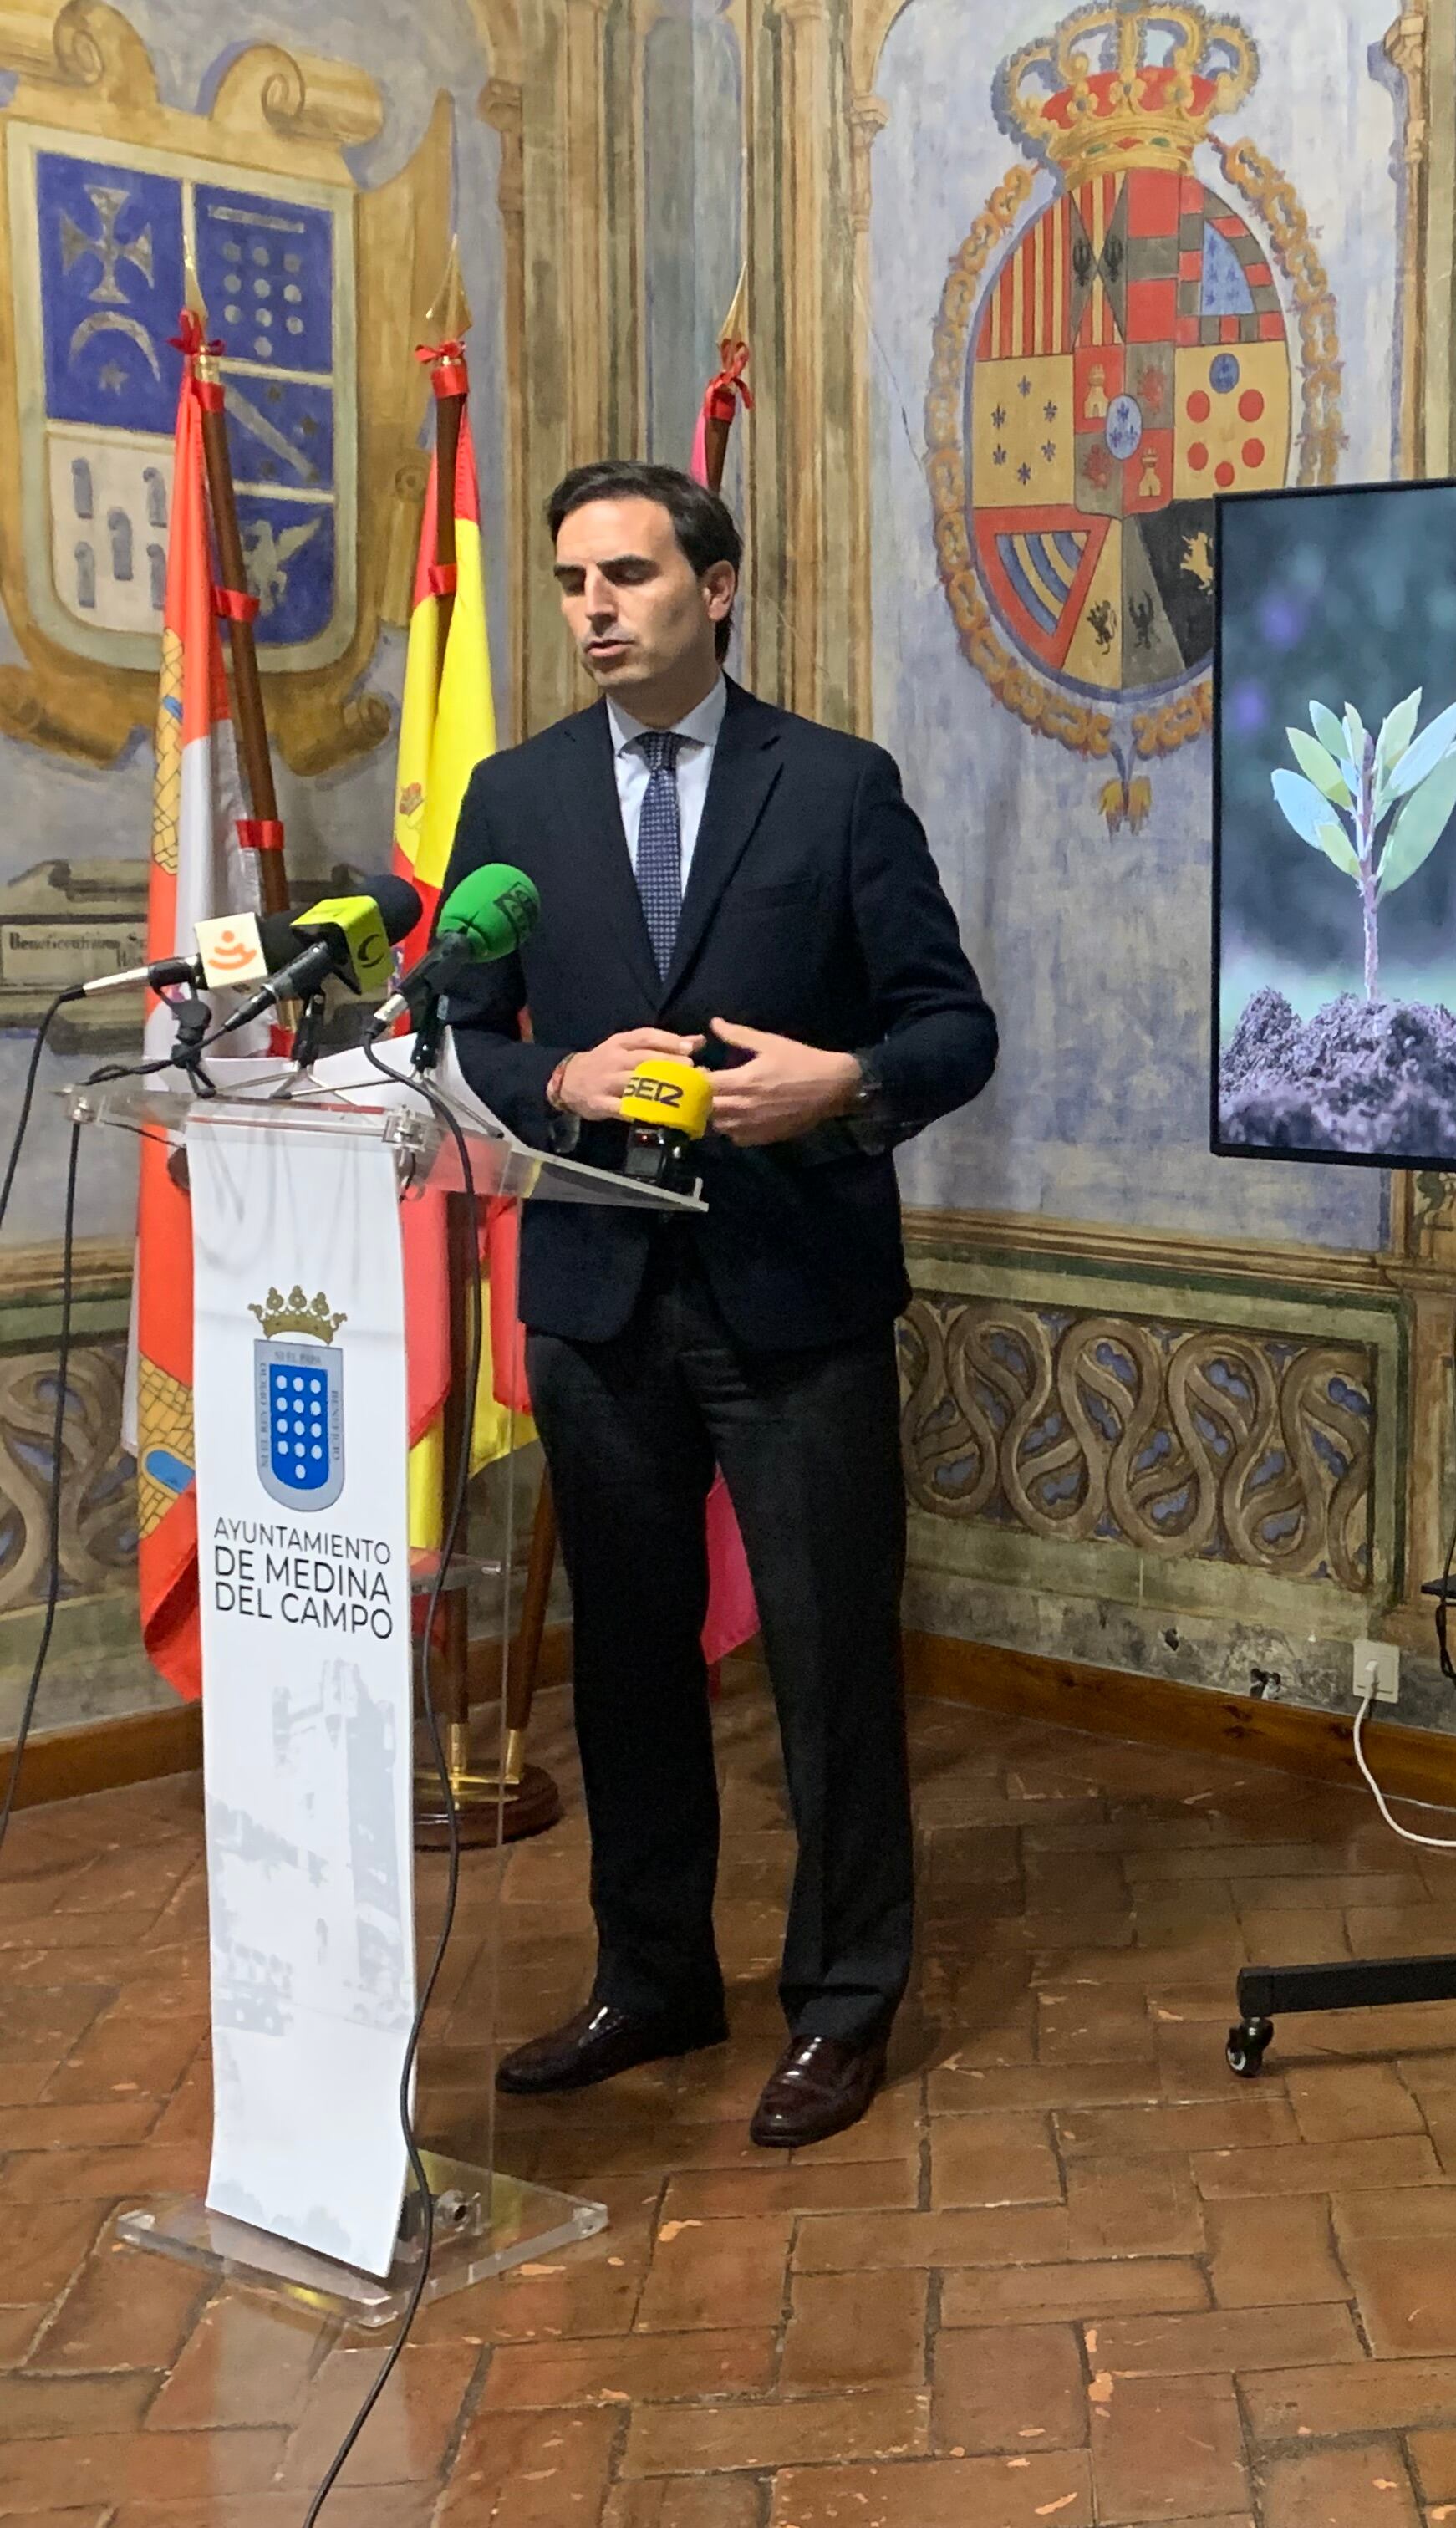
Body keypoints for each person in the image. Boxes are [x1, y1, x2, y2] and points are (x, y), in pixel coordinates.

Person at [445, 461, 997, 2148]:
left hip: (796, 1302)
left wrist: (840, 1085)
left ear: (719, 585)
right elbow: (462, 1032)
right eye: (567, 583)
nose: (593, 609)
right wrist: (561, 1077)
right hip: (603, 1307)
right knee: (624, 1670)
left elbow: (951, 1028)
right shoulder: (513, 798)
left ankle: (842, 2002)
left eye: (626, 574)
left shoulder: (834, 788)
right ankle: (655, 1974)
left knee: (832, 1669)